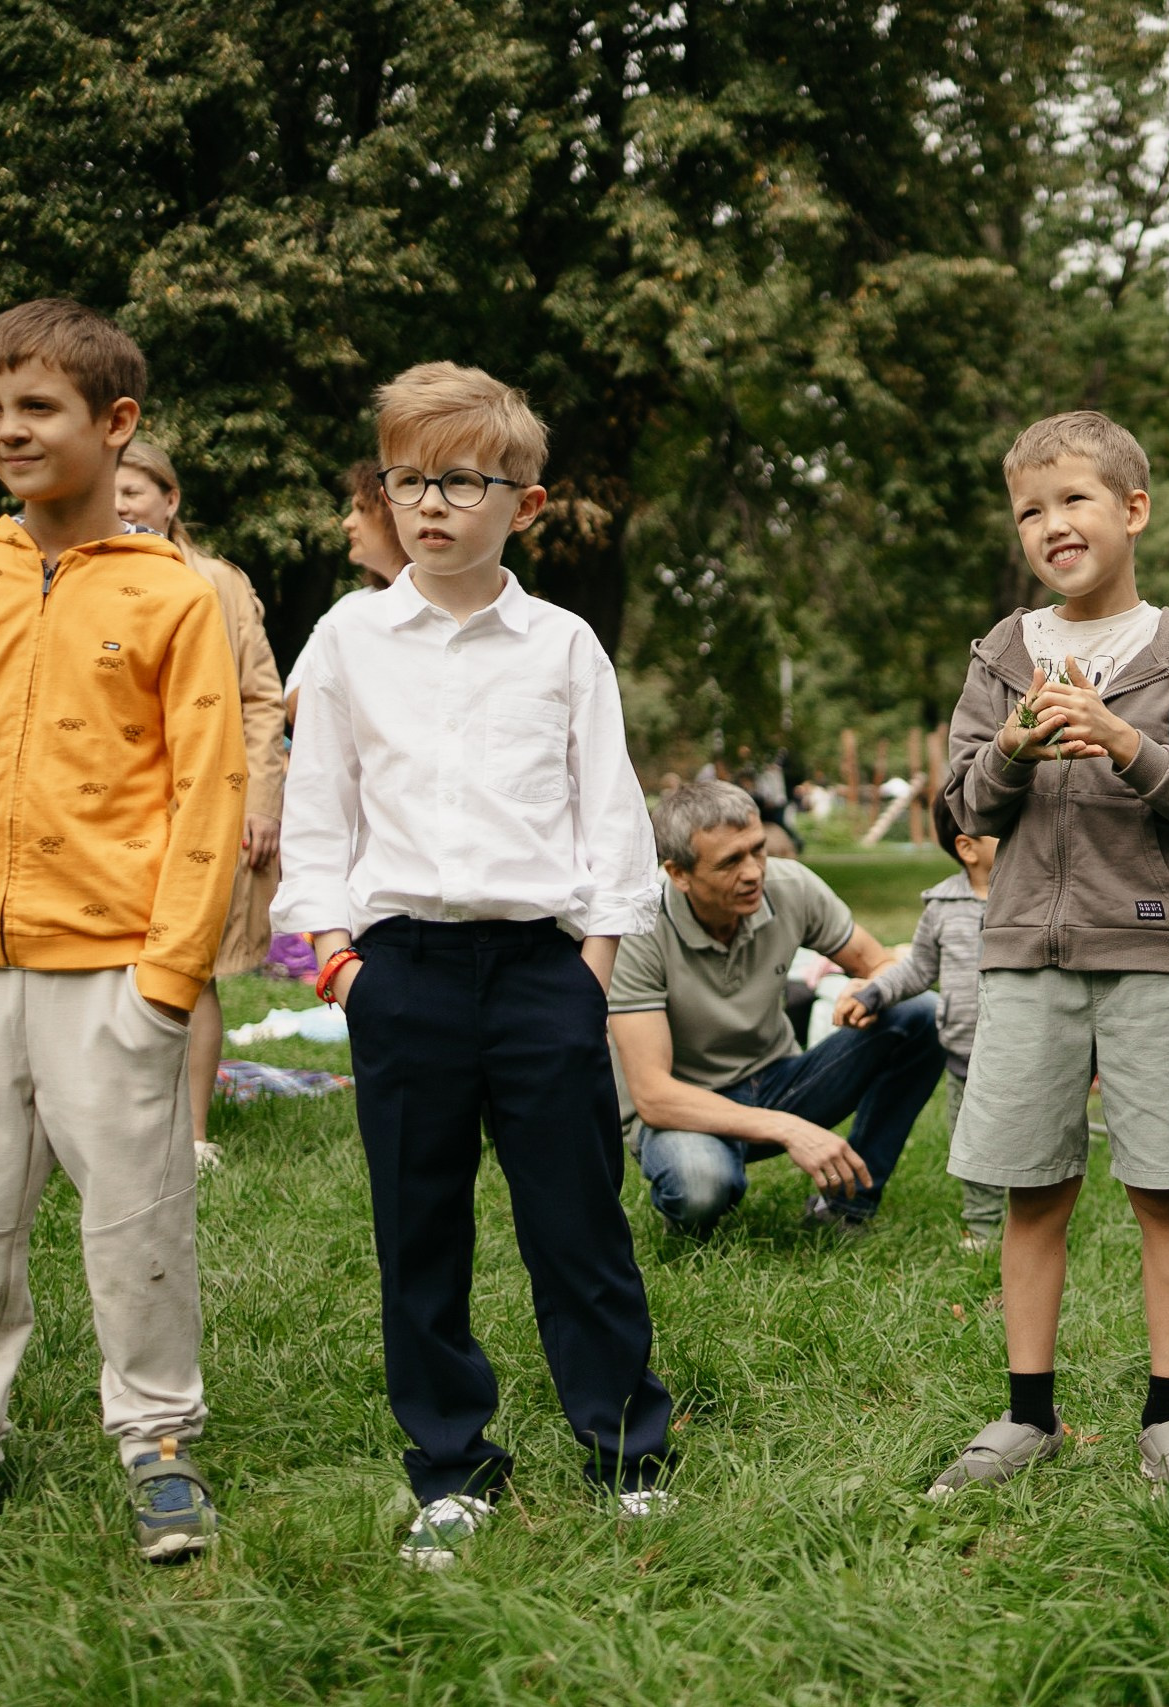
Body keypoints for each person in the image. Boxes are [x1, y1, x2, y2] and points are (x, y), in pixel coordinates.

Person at [275, 362, 674, 1568]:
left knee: (577, 1224)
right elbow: (312, 832)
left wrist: (591, 971)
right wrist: (338, 973)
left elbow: (613, 823)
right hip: (400, 975)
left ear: (527, 504)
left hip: (541, 973)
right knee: (419, 1231)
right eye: (407, 480)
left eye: (462, 480)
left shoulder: (562, 646)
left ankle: (623, 1452)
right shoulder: (347, 639)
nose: (431, 504)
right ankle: (452, 1462)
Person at [929, 408, 1169, 1508]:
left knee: (1163, 1187)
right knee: (1034, 1187)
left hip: (1154, 951)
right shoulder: (999, 655)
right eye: (1030, 510)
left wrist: (1119, 738)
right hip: (1024, 955)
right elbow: (960, 804)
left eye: (1073, 500)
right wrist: (1014, 746)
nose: (1051, 524)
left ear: (1132, 510)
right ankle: (1027, 1413)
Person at [0, 299, 245, 1561]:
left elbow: (210, 789)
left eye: (37, 408)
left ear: (116, 422)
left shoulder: (174, 596)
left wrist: (166, 979)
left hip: (111, 967)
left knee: (133, 1219)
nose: (8, 430)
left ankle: (159, 1439)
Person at [608, 781, 946, 1238]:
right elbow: (653, 1095)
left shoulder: (790, 886)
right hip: (684, 1109)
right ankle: (697, 1197)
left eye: (758, 850)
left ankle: (848, 1207)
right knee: (700, 1187)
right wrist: (789, 1129)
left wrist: (868, 991)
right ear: (678, 873)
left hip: (778, 1080)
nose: (753, 872)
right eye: (730, 861)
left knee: (920, 1013)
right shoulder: (639, 926)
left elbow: (881, 964)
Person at [114, 441, 287, 1171]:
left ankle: (192, 1134)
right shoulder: (74, 573)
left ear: (170, 499)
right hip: (113, 806)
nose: (123, 503)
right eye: (112, 488)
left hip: (202, 802)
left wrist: (261, 800)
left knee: (197, 964)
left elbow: (260, 697)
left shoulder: (216, 581)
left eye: (136, 489)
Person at [842, 793, 1001, 1249]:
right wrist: (874, 992)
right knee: (971, 1144)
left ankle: (1041, 1219)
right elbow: (916, 969)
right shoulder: (942, 907)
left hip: (1027, 1050)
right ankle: (985, 1226)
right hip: (965, 1052)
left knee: (1034, 1139)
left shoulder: (1033, 896)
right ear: (967, 847)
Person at [283, 460, 409, 730]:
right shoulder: (351, 606)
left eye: (361, 509)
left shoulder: (453, 604)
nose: (347, 523)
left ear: (395, 515)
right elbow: (297, 704)